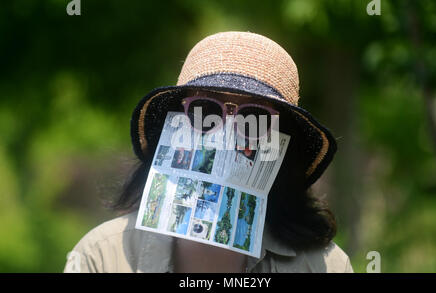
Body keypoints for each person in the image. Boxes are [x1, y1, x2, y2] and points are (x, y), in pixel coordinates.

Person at [63, 31, 353, 273]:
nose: (225, 136)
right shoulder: (100, 256)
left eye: (254, 120)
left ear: (281, 145)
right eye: (205, 112)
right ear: (173, 125)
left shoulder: (325, 266)